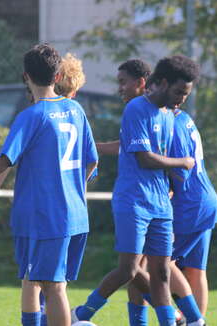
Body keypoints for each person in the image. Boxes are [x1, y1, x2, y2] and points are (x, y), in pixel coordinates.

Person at [0, 44, 98, 326]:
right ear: (58, 74)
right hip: (71, 215)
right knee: (33, 278)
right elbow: (92, 161)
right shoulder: (75, 109)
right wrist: (72, 190)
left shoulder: (32, 116)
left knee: (53, 287)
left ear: (25, 76)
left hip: (46, 217)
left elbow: (3, 162)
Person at [71, 55, 199, 326]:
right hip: (134, 202)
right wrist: (183, 163)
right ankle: (81, 315)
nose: (182, 99)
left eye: (186, 94)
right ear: (162, 83)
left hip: (161, 205)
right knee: (129, 270)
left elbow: (161, 157)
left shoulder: (167, 115)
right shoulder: (136, 109)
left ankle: (171, 322)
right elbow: (144, 157)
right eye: (178, 92)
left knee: (162, 273)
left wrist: (174, 184)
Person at [169, 106, 217, 317]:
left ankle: (185, 318)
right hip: (205, 199)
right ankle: (193, 321)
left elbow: (181, 172)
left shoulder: (172, 124)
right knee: (195, 270)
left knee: (157, 263)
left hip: (189, 204)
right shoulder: (185, 117)